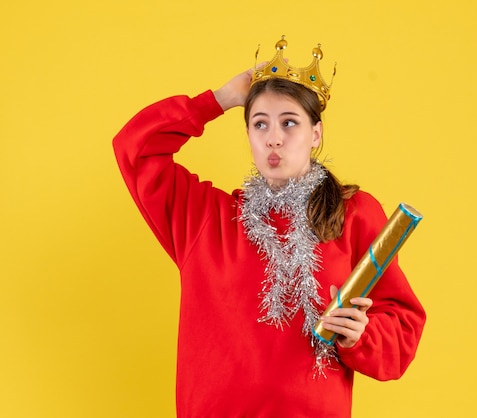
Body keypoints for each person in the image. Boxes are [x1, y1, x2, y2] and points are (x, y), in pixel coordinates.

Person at [112, 37, 425, 418]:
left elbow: (402, 331)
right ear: (248, 137)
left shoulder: (353, 213)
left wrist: (362, 335)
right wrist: (219, 99)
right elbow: (135, 147)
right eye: (260, 124)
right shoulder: (205, 217)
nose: (273, 137)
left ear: (315, 134)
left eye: (289, 122)